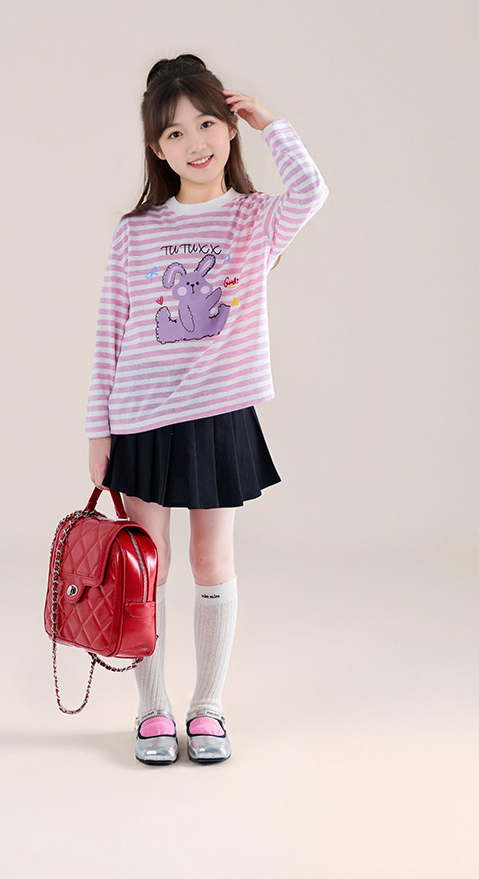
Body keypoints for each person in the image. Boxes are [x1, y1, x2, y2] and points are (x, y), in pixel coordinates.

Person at [85, 54, 329, 765]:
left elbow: (311, 190)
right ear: (156, 149)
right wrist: (98, 430)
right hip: (141, 417)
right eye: (174, 133)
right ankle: (153, 709)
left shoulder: (254, 220)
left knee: (210, 559)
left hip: (219, 414)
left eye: (207, 124)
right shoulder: (135, 232)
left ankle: (208, 708)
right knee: (147, 567)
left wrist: (271, 121)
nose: (195, 143)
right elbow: (110, 331)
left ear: (229, 129)